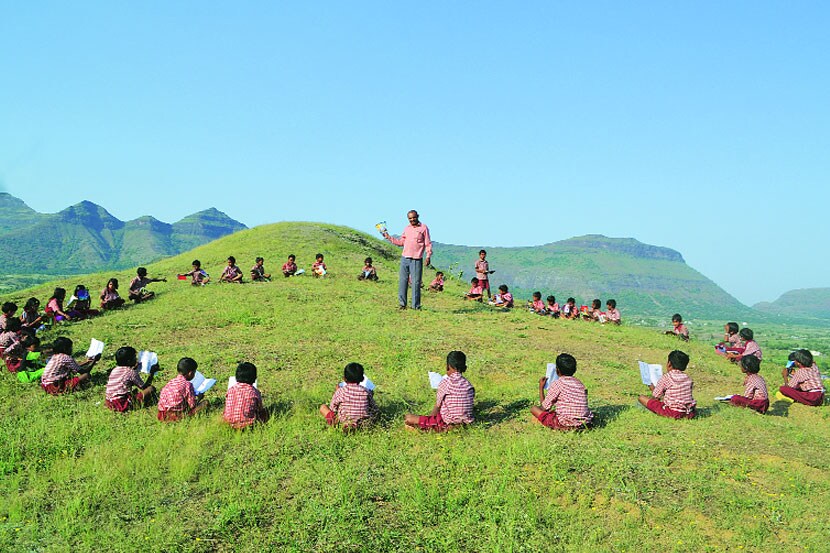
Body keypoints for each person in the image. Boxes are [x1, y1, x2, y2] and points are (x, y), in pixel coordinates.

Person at [404, 351, 474, 431]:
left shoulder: (446, 382)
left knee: (408, 418)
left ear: (447, 367)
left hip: (447, 423)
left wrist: (428, 421)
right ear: (465, 368)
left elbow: (437, 407)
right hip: (466, 423)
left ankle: (429, 429)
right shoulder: (469, 385)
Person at [382, 210, 432, 310]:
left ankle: (415, 306)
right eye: (410, 218)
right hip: (405, 257)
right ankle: (402, 304)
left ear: (417, 216)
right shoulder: (407, 228)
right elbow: (401, 242)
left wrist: (428, 256)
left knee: (416, 283)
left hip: (416, 259)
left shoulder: (424, 228)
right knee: (403, 281)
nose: (412, 220)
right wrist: (389, 237)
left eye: (413, 217)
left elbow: (428, 243)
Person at [531, 353, 594, 430]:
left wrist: (541, 388)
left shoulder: (557, 384)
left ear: (557, 370)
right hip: (585, 423)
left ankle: (563, 428)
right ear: (574, 370)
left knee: (534, 409)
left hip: (564, 424)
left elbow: (544, 408)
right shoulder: (580, 384)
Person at [638, 350, 696, 419]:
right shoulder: (688, 378)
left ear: (669, 364)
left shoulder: (667, 377)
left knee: (641, 398)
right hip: (689, 412)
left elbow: (655, 396)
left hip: (673, 412)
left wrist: (651, 386)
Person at [319, 362, 379, 429]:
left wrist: (336, 392)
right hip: (363, 425)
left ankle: (336, 425)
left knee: (323, 407)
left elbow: (333, 408)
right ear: (362, 379)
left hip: (343, 424)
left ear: (344, 378)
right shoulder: (366, 391)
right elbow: (375, 409)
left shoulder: (341, 391)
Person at [105, 346, 159, 412]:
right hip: (121, 403)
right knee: (151, 389)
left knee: (134, 392)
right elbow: (144, 387)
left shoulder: (115, 370)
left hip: (110, 402)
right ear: (129, 361)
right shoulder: (131, 372)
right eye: (134, 358)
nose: (136, 359)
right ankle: (134, 405)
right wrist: (152, 373)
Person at [157, 357, 208, 422]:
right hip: (176, 416)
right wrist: (199, 398)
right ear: (190, 373)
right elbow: (193, 405)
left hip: (161, 415)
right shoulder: (188, 385)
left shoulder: (170, 382)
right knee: (205, 403)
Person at [224, 362, 269, 429]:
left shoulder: (231, 390)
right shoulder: (254, 392)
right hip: (248, 425)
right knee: (266, 412)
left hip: (228, 424)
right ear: (254, 378)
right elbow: (260, 409)